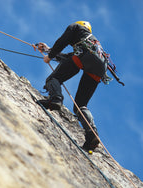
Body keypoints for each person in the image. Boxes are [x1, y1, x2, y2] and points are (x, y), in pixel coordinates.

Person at [36, 21, 109, 151]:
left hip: (85, 56)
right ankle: (92, 134)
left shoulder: (75, 27)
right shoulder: (92, 43)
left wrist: (50, 56)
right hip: (100, 67)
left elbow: (63, 41)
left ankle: (55, 100)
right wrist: (48, 50)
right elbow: (70, 57)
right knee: (80, 105)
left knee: (54, 78)